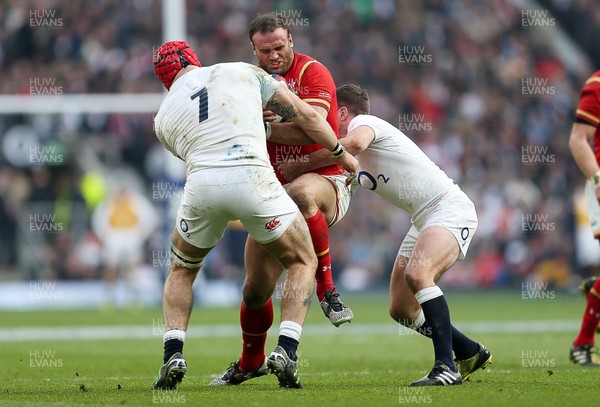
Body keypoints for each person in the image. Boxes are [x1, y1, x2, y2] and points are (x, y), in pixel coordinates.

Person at [150, 41, 358, 390]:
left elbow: (193, 145)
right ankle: (287, 349)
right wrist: (341, 152)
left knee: (182, 270)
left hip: (202, 186)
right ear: (193, 59)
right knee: (301, 261)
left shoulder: (162, 116)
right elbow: (308, 116)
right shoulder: (241, 71)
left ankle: (173, 351)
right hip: (253, 180)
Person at [276, 84, 493, 386]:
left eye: (328, 115)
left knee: (419, 275)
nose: (322, 121)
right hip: (423, 218)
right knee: (402, 309)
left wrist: (301, 163)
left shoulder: (363, 124)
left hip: (449, 209)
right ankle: (469, 351)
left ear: (343, 111)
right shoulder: (347, 152)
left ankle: (447, 367)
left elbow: (353, 145)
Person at [210, 11, 355, 387]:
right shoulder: (247, 79)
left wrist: (266, 125)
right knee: (255, 290)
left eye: (279, 47)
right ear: (252, 49)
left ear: (291, 40)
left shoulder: (313, 73)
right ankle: (251, 361)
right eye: (265, 50)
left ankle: (328, 291)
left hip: (325, 181)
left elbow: (314, 125)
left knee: (302, 193)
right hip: (273, 195)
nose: (273, 55)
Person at [567, 69, 600, 366]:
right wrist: (598, 179)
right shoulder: (597, 85)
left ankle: (597, 291)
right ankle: (582, 344)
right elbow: (578, 140)